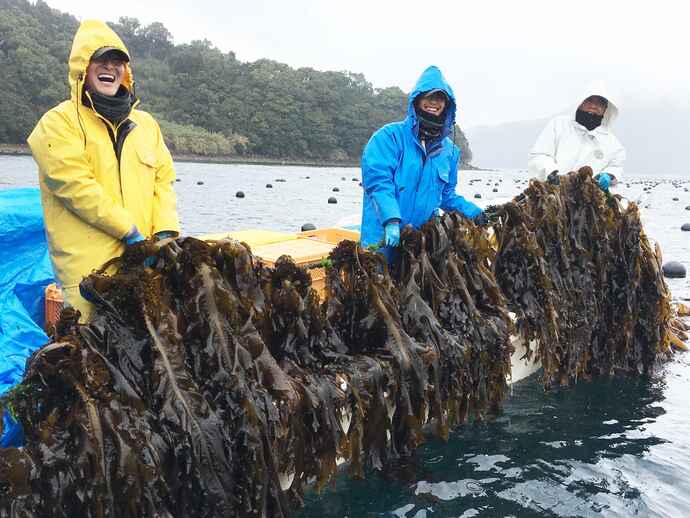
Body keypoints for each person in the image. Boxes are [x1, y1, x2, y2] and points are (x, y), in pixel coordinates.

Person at [28, 20, 180, 322]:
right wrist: (129, 231)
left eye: (117, 61)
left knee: (149, 354)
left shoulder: (147, 125)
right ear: (83, 68)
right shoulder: (58, 123)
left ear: (126, 72)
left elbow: (163, 181)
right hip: (88, 275)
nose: (109, 67)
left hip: (145, 266)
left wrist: (164, 232)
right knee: (91, 354)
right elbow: (75, 187)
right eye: (100, 59)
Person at [360, 65, 484, 257]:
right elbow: (378, 183)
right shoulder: (388, 137)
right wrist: (391, 220)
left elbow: (447, 195)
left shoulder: (450, 151)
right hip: (382, 240)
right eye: (428, 96)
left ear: (447, 104)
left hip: (419, 247)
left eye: (440, 97)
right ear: (417, 100)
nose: (434, 102)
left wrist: (476, 214)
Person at [528, 87, 626, 190]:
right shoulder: (558, 125)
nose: (593, 106)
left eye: (600, 103)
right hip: (549, 192)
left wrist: (609, 175)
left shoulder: (613, 145)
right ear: (581, 101)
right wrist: (551, 173)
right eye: (590, 100)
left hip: (586, 199)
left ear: (606, 109)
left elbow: (615, 167)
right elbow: (539, 154)